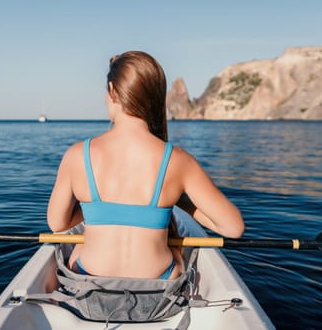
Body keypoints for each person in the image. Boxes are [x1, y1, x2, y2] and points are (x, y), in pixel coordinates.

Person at [47, 51, 244, 280]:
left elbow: (57, 224)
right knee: (177, 254)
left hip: (91, 288)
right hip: (157, 291)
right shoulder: (178, 160)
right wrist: (178, 200)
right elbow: (233, 228)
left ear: (112, 91)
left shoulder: (77, 155)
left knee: (78, 251)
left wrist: (96, 206)